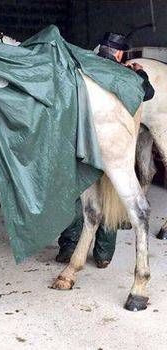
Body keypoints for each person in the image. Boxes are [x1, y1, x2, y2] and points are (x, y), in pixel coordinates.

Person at [56, 32, 155, 268]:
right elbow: (147, 93)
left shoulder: (82, 68)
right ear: (119, 54)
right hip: (114, 143)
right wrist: (140, 72)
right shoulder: (124, 74)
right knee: (112, 193)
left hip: (81, 144)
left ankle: (69, 247)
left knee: (77, 198)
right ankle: (103, 254)